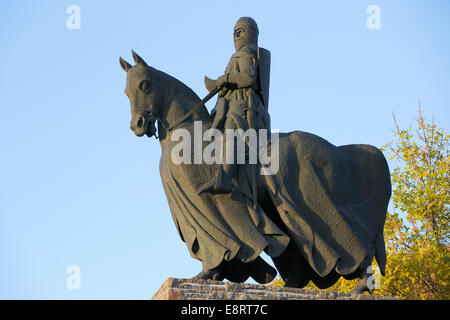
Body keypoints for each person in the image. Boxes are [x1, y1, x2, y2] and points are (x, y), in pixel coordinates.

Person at [198, 17, 270, 195]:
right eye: (234, 33)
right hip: (233, 102)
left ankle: (226, 179)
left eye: (240, 32)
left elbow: (248, 78)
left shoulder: (245, 53)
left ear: (249, 34)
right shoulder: (239, 55)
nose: (236, 37)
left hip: (244, 105)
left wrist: (224, 80)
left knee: (230, 129)